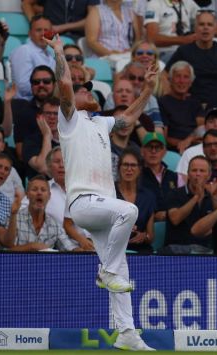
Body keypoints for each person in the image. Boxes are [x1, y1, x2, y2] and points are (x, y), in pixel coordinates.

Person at [47, 33, 156, 350]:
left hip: (102, 207)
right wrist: (58, 53)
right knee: (129, 210)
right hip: (82, 203)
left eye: (89, 90)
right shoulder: (69, 121)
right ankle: (105, 270)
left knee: (122, 271)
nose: (87, 93)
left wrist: (147, 89)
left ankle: (127, 334)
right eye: (83, 91)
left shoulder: (101, 123)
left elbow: (129, 118)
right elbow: (65, 86)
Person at [165, 10, 217, 105]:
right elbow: (165, 74)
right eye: (201, 24)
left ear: (215, 30)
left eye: (209, 25)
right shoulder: (184, 51)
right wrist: (174, 94)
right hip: (190, 104)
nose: (205, 28)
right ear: (195, 29)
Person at [6, 175, 78, 252]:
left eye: (43, 190)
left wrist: (80, 250)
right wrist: (32, 246)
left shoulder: (54, 225)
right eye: (34, 189)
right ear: (27, 195)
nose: (39, 193)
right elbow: (7, 250)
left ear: (49, 196)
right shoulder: (14, 219)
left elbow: (69, 247)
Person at [164, 155, 217, 254]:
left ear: (209, 175)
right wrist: (196, 197)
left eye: (202, 171)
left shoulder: (212, 197)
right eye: (194, 170)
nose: (197, 174)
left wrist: (213, 196)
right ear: (188, 174)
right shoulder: (175, 193)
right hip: (178, 249)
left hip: (205, 250)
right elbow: (175, 219)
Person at [12, 65, 56, 163]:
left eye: (46, 81)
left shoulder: (64, 111)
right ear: (31, 86)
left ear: (54, 84)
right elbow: (21, 153)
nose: (41, 85)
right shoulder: (23, 113)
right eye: (36, 82)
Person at [116, 149, 156, 254]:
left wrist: (144, 236)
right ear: (119, 168)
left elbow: (150, 237)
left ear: (139, 169)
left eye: (133, 165)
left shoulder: (148, 196)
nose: (129, 169)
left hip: (140, 250)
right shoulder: (110, 193)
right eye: (125, 165)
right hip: (114, 249)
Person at [158, 61, 203, 152]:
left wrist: (189, 140)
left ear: (191, 82)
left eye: (186, 77)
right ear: (170, 80)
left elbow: (202, 129)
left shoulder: (195, 103)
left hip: (196, 148)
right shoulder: (162, 103)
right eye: (178, 76)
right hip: (172, 151)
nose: (181, 81)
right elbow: (164, 138)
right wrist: (182, 144)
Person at [9, 15, 55, 100]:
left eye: (46, 30)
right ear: (30, 33)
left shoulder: (51, 53)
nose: (43, 34)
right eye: (38, 30)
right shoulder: (24, 50)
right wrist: (53, 89)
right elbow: (23, 87)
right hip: (25, 105)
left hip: (46, 103)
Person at [139, 132, 177, 222]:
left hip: (171, 226)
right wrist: (153, 216)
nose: (153, 151)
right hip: (145, 227)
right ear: (142, 151)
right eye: (149, 147)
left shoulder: (174, 176)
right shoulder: (136, 176)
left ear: (164, 152)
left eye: (158, 147)